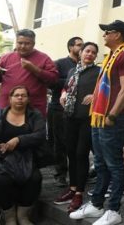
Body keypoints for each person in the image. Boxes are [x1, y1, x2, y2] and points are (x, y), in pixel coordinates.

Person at [70, 20, 124, 225]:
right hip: (99, 115)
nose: (104, 35)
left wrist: (113, 115)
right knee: (100, 162)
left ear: (117, 35)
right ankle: (97, 205)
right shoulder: (111, 56)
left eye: (107, 32)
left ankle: (114, 210)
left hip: (111, 118)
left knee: (114, 164)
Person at [0, 85, 45, 225]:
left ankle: (23, 215)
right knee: (1, 181)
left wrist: (19, 140)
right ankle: (9, 216)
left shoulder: (34, 115)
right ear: (10, 98)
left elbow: (40, 135)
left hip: (27, 158)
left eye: (23, 95)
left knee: (35, 178)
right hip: (1, 159)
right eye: (16, 95)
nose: (20, 98)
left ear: (28, 99)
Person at [53, 42, 100, 213]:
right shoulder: (72, 71)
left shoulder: (98, 72)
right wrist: (64, 93)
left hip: (86, 119)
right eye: (87, 51)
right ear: (80, 53)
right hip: (69, 117)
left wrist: (96, 95)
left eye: (93, 52)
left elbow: (108, 89)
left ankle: (79, 193)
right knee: (71, 154)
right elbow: (66, 87)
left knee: (81, 154)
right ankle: (72, 188)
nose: (90, 54)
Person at [0, 29, 59, 117]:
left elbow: (54, 80)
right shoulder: (6, 58)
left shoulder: (44, 58)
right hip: (6, 107)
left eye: (27, 43)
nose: (22, 46)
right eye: (20, 43)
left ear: (33, 44)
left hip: (33, 109)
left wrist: (34, 69)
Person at [48, 36, 83, 187]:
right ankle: (60, 173)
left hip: (78, 109)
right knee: (60, 142)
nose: (82, 48)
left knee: (75, 142)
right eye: (79, 45)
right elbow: (52, 83)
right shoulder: (59, 63)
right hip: (58, 108)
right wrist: (73, 80)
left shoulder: (84, 65)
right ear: (70, 47)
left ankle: (77, 173)